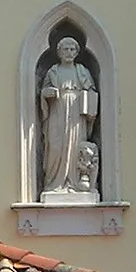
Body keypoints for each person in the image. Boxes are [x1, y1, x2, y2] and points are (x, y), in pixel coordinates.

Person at [39, 35, 100, 199]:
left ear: (77, 52)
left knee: (75, 147)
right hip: (57, 111)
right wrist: (47, 94)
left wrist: (87, 100)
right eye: (65, 49)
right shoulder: (53, 71)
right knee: (56, 146)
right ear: (59, 52)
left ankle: (76, 183)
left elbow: (92, 92)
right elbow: (43, 93)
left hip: (76, 114)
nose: (69, 52)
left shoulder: (82, 71)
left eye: (72, 49)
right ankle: (54, 183)